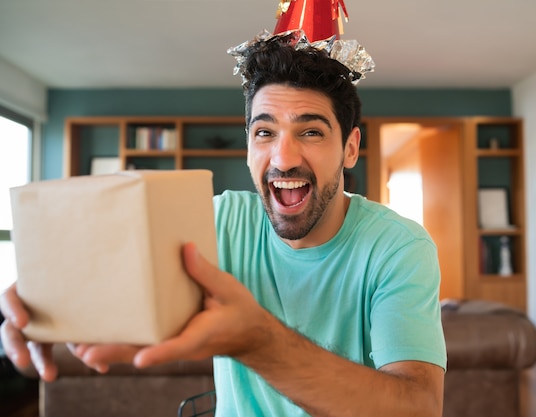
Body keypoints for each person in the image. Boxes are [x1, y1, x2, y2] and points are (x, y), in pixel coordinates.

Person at [0, 37, 447, 416]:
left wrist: (258, 342)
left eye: (311, 132)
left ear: (350, 149)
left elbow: (419, 404)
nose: (284, 158)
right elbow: (113, 271)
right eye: (264, 132)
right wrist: (52, 294)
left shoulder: (397, 246)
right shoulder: (216, 221)